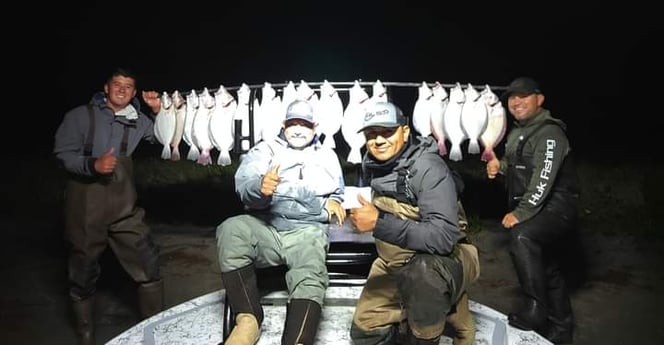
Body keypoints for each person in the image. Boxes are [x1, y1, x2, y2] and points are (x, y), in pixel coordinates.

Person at [216, 100, 346, 345]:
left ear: (315, 127)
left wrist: (334, 201)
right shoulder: (264, 150)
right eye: (293, 123)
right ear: (283, 125)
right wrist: (260, 188)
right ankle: (248, 320)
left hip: (308, 231)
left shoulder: (328, 155)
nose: (298, 129)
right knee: (232, 229)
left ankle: (298, 339)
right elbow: (244, 185)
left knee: (310, 271)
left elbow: (337, 191)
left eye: (305, 124)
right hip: (268, 227)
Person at [349, 101, 480, 345]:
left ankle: (441, 314)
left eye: (387, 132)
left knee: (423, 276)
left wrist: (379, 223)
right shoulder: (373, 164)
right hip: (395, 261)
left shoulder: (427, 167)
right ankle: (427, 308)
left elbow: (443, 238)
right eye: (371, 134)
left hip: (445, 258)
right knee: (365, 331)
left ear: (405, 132)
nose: (378, 140)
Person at [53, 67, 165, 345]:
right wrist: (92, 164)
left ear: (134, 92)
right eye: (117, 84)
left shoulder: (138, 121)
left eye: (128, 86)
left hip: (125, 207)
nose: (122, 90)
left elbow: (166, 139)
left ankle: (158, 331)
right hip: (85, 206)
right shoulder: (80, 116)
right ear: (106, 88)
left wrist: (160, 113)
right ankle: (86, 334)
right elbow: (62, 154)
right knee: (83, 270)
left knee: (147, 263)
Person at [486, 77, 580, 344]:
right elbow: (514, 163)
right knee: (547, 268)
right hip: (538, 207)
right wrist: (499, 166)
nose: (516, 102)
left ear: (540, 99)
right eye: (512, 97)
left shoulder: (550, 133)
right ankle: (561, 331)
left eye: (524, 96)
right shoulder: (519, 132)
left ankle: (536, 310)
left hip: (556, 208)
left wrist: (521, 213)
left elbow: (544, 178)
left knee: (522, 236)